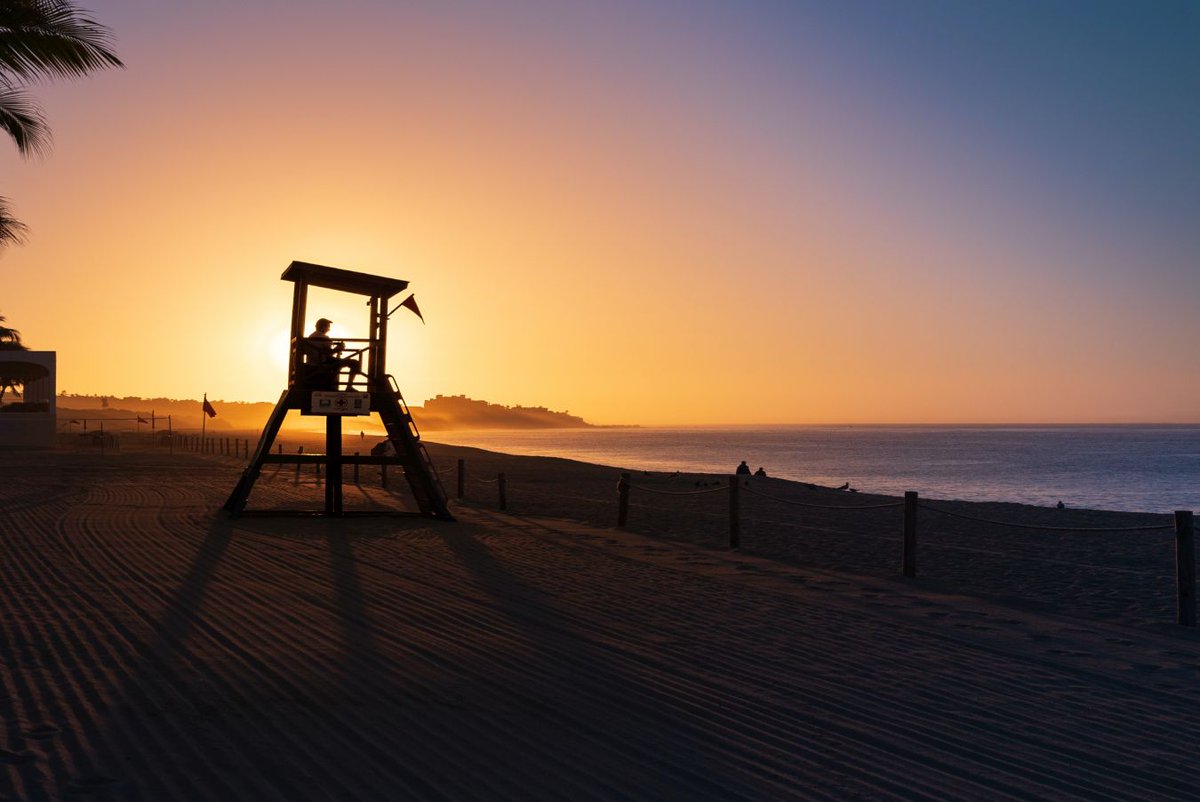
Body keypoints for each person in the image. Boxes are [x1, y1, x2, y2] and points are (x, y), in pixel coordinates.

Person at [306, 318, 362, 387]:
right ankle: (349, 386)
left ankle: (334, 380)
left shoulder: (311, 336)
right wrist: (339, 348)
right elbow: (328, 353)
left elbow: (323, 352)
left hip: (312, 362)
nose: (328, 330)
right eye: (328, 327)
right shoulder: (323, 337)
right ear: (324, 327)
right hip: (324, 363)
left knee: (339, 364)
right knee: (355, 363)